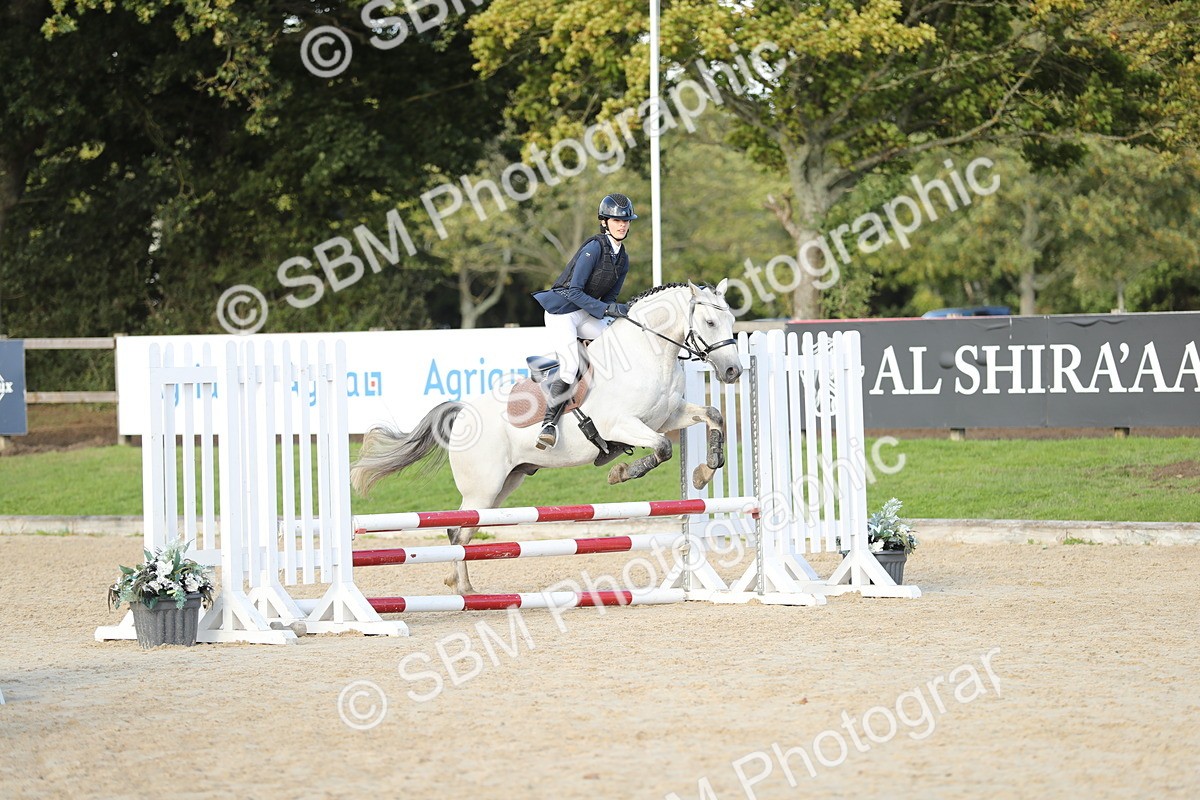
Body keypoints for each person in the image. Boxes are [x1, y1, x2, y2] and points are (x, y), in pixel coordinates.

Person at [530, 193, 637, 450]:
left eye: (625, 221)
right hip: (562, 313)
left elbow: (609, 299)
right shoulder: (594, 248)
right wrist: (608, 309)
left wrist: (619, 312)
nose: (622, 225)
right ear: (604, 222)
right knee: (569, 367)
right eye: (616, 220)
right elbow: (574, 291)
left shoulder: (623, 258)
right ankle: (548, 425)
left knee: (617, 342)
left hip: (584, 313)